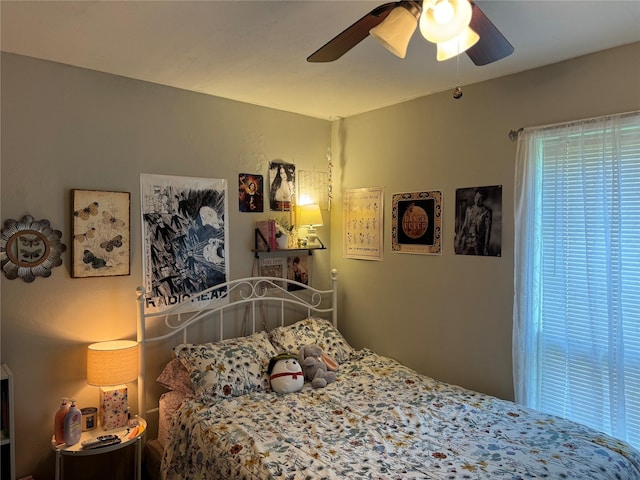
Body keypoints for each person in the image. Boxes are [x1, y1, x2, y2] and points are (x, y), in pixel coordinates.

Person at [455, 188, 493, 255]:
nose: (477, 200)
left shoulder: (487, 211)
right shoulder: (469, 209)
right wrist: (459, 238)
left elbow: (488, 230)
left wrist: (486, 246)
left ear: (484, 199)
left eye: (480, 198)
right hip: (467, 240)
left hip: (479, 242)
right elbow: (465, 224)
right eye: (476, 197)